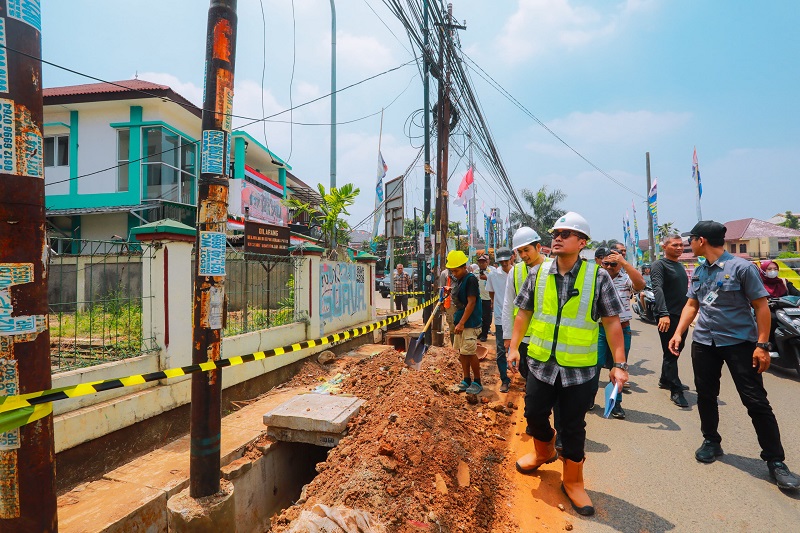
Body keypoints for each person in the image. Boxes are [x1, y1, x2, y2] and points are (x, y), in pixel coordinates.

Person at [507, 212, 628, 516]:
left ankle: (573, 482)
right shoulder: (538, 272)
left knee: (573, 427)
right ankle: (543, 450)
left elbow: (613, 323)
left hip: (580, 370)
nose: (557, 238)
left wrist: (619, 363)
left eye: (566, 233)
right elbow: (523, 313)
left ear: (582, 242)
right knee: (533, 413)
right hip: (540, 363)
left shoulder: (597, 276)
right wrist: (513, 347)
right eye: (555, 233)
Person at [669, 221, 800, 492]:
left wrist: (762, 345)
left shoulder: (741, 268)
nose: (687, 245)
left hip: (740, 344)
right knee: (706, 395)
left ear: (701, 240)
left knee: (755, 401)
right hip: (705, 342)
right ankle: (711, 441)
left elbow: (761, 307)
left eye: (690, 239)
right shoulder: (699, 270)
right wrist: (679, 333)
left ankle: (775, 461)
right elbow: (692, 304)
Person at [588, 246, 645, 419]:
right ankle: (589, 399)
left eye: (614, 263)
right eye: (607, 263)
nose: (610, 267)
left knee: (618, 366)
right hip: (599, 329)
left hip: (622, 328)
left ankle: (616, 403)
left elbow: (641, 284)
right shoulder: (595, 278)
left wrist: (624, 263)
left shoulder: (626, 278)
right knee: (594, 365)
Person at [502, 227, 546, 382]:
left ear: (538, 247)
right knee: (528, 378)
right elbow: (508, 304)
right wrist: (508, 337)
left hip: (546, 339)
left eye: (526, 250)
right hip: (524, 338)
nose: (523, 255)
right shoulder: (515, 272)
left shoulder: (553, 268)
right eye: (520, 251)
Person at [652, 234, 691, 407]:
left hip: (681, 316)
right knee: (672, 352)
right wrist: (663, 313)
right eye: (675, 245)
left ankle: (665, 379)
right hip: (668, 315)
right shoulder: (659, 265)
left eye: (681, 245)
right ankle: (676, 390)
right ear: (664, 247)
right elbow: (658, 288)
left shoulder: (680, 266)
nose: (679, 248)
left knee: (676, 349)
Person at [445, 250, 484, 395]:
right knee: (463, 352)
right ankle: (466, 379)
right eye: (452, 271)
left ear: (464, 267)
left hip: (469, 322)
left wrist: (461, 323)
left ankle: (477, 381)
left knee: (470, 352)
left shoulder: (471, 279)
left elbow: (471, 303)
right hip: (461, 320)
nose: (454, 273)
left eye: (456, 270)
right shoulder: (460, 280)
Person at [486, 247, 514, 393]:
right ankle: (504, 379)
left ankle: (525, 375)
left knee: (522, 348)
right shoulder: (493, 276)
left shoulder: (519, 273)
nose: (504, 263)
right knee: (501, 350)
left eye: (506, 260)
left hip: (518, 318)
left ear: (512, 257)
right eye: (501, 261)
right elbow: (492, 293)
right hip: (500, 318)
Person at [476, 254, 492, 341]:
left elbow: (494, 283)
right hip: (477, 298)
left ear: (486, 263)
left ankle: (484, 334)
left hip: (487, 298)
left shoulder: (491, 272)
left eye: (483, 262)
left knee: (486, 317)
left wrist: (487, 278)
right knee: (478, 316)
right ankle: (479, 333)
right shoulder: (475, 272)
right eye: (480, 262)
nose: (481, 264)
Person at [439, 267, 456, 346]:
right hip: (449, 303)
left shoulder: (460, 271)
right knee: (452, 325)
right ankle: (454, 346)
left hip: (460, 302)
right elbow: (442, 289)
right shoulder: (444, 273)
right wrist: (441, 302)